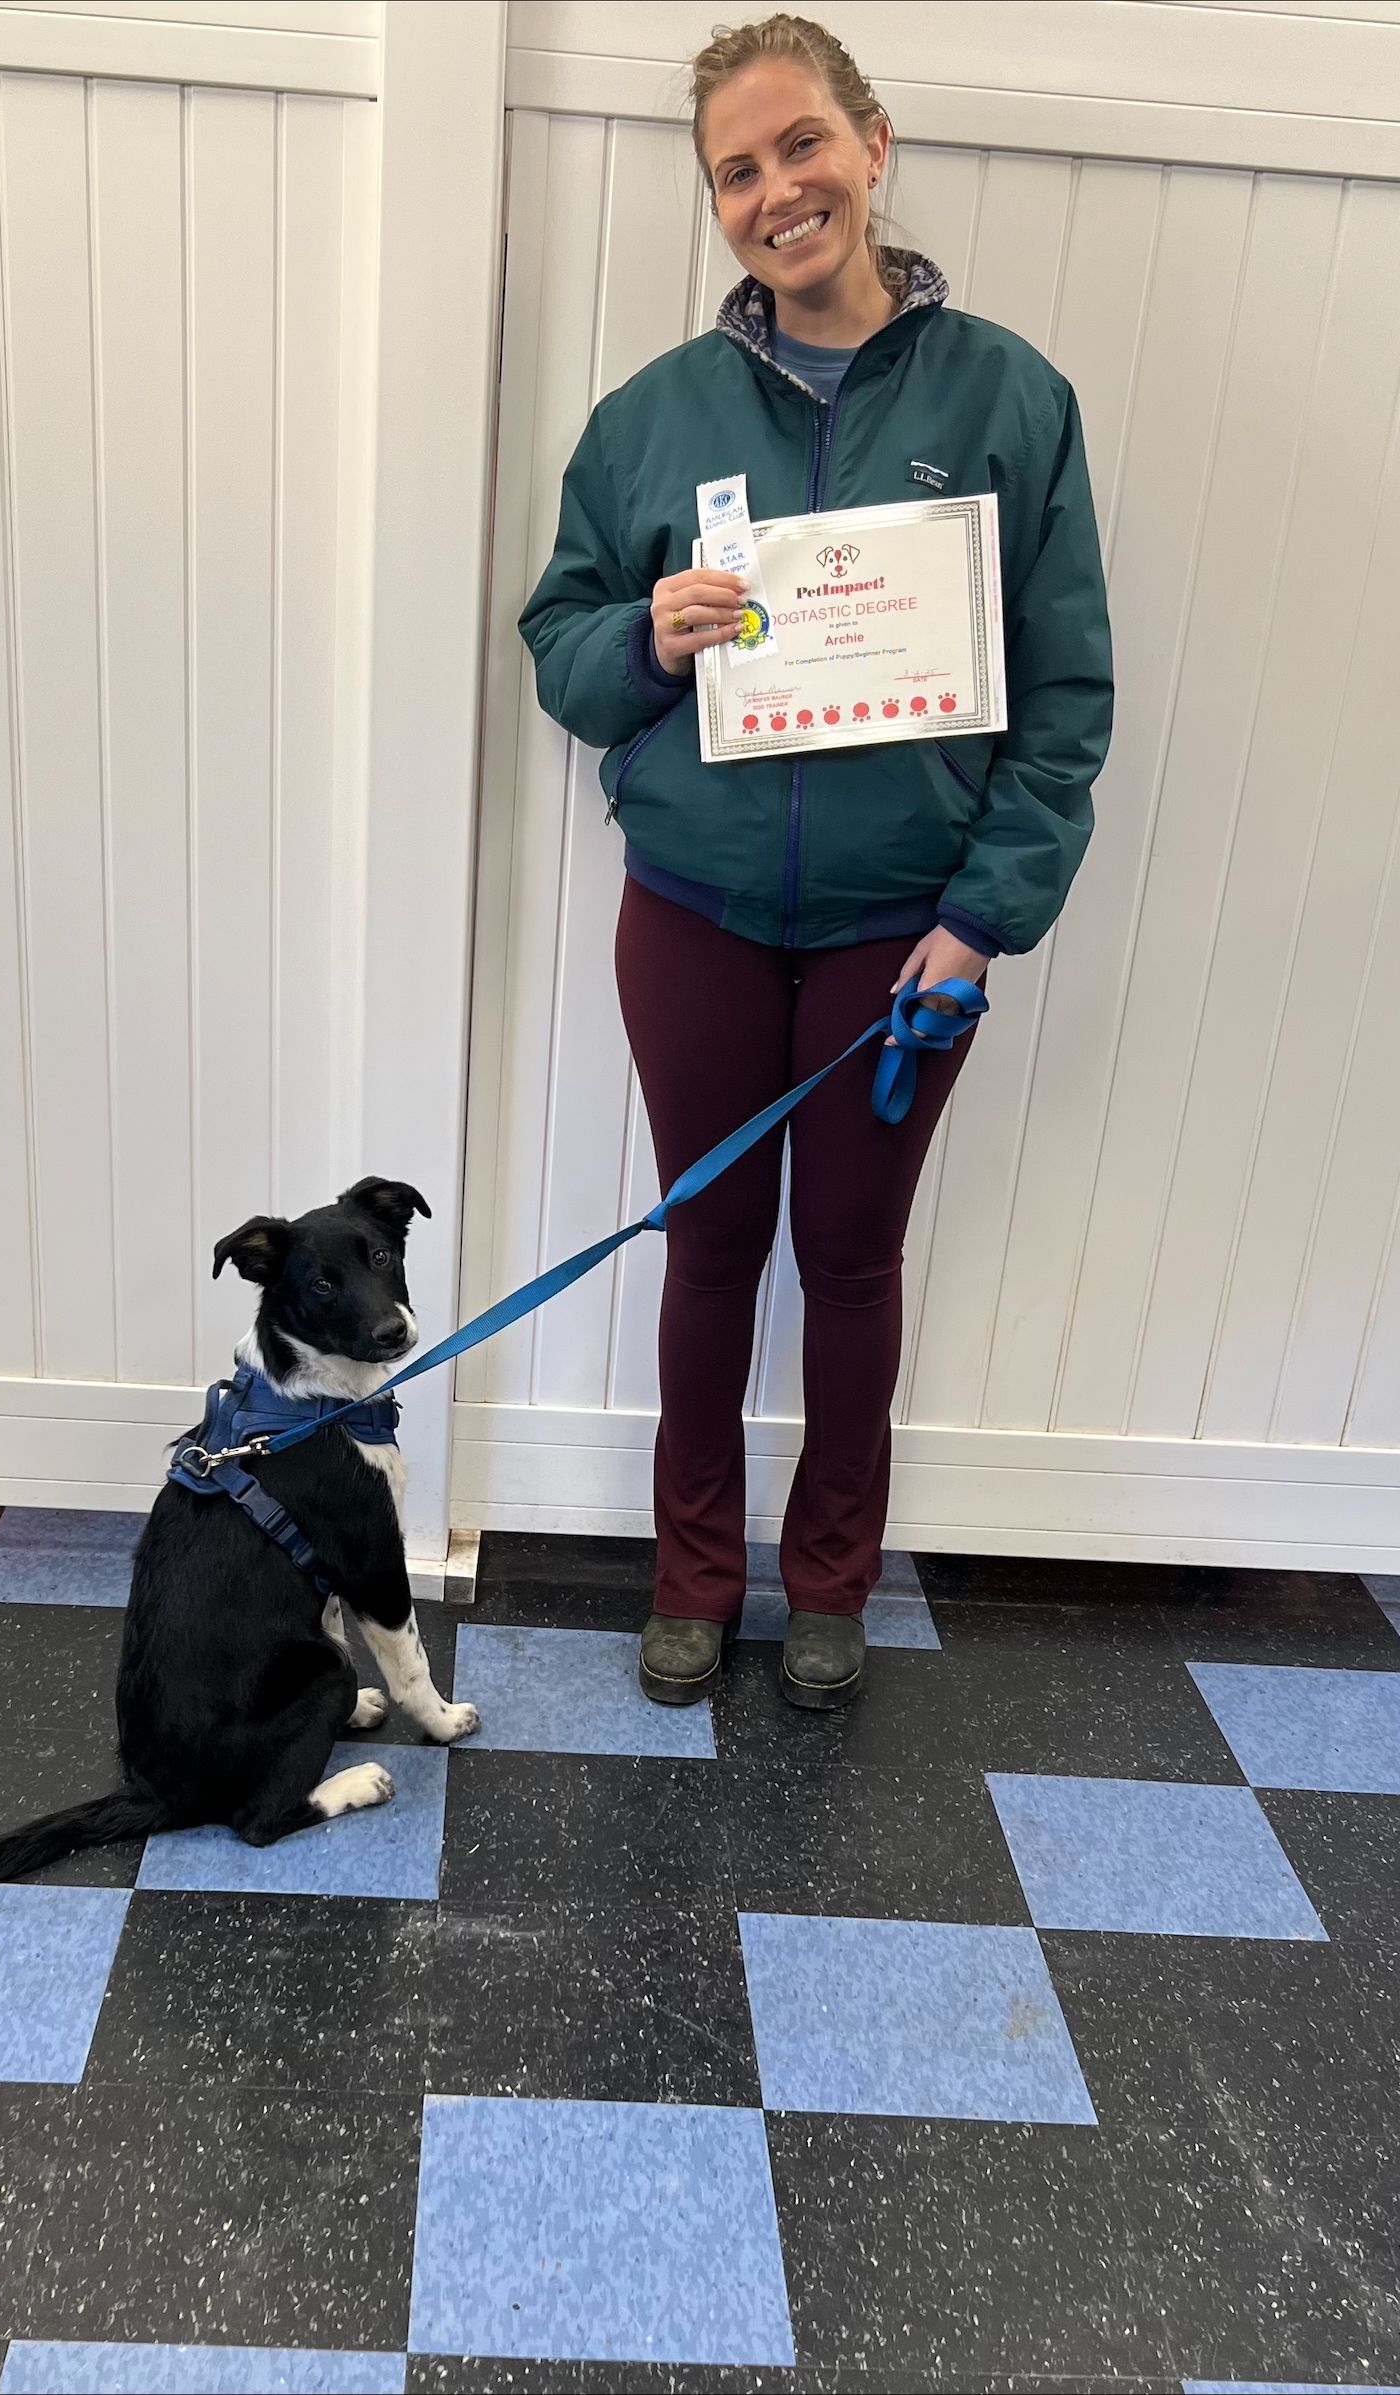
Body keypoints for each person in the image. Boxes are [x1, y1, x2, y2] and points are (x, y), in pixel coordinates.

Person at [519, 13, 1113, 1712]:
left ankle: (831, 1580)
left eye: (799, 147)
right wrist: (643, 639)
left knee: (851, 1266)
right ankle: (693, 1578)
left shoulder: (1010, 398)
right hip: (694, 916)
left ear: (871, 144)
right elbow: (556, 644)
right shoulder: (652, 418)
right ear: (713, 204)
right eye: (734, 170)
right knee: (707, 1254)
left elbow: (1062, 693)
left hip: (896, 939)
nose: (775, 192)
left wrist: (982, 921)